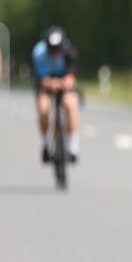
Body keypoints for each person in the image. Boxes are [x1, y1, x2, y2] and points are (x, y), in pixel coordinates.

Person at [32, 26, 81, 162]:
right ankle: (46, 143)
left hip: (63, 82)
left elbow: (71, 76)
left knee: (70, 105)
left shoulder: (69, 51)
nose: (54, 54)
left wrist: (65, 82)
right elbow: (41, 78)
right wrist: (50, 83)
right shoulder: (39, 52)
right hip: (46, 83)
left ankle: (73, 146)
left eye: (57, 51)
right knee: (43, 109)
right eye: (51, 51)